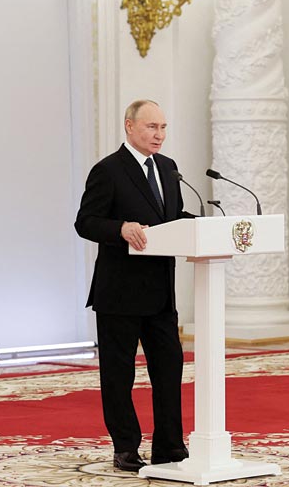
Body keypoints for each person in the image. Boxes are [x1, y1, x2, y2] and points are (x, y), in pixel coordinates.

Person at [74, 100, 192, 472]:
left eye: (163, 127)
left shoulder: (168, 168)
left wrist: (204, 225)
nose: (159, 135)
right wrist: (120, 228)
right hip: (120, 293)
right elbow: (85, 221)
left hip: (161, 293)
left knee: (169, 370)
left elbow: (172, 219)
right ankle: (125, 447)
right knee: (119, 375)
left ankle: (170, 446)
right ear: (129, 126)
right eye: (151, 127)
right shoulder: (108, 170)